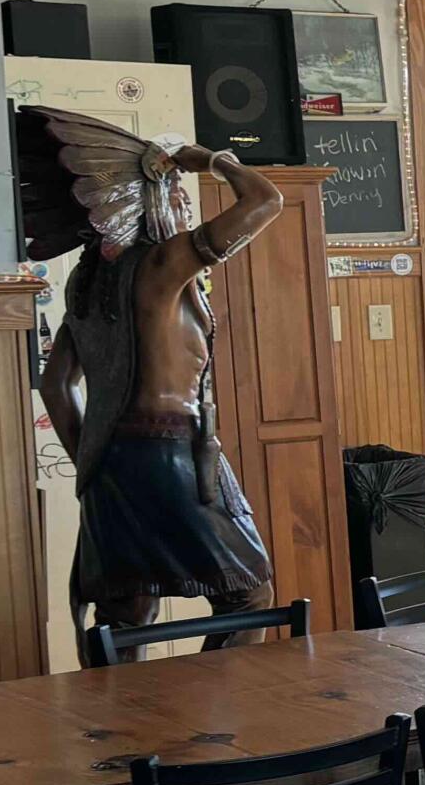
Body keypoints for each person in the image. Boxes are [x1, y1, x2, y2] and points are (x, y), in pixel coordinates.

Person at [25, 115, 287, 643]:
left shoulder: (85, 281)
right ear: (150, 201)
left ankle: (120, 723)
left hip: (109, 463)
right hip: (176, 453)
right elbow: (266, 201)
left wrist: (93, 462)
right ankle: (215, 722)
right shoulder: (164, 262)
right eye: (175, 194)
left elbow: (57, 386)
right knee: (247, 594)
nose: (184, 206)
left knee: (124, 617)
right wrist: (213, 159)